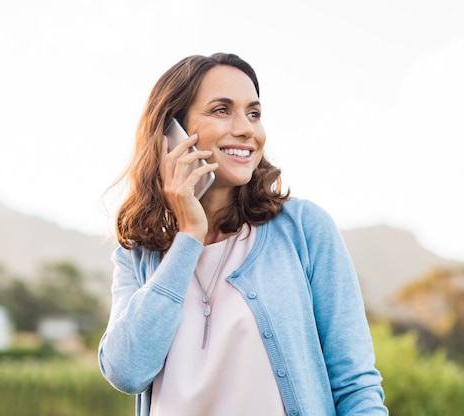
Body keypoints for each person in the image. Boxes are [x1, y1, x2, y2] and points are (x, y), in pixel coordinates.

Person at [98, 52, 389, 416]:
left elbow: (356, 385)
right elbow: (126, 371)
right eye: (222, 110)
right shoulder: (139, 254)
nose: (247, 129)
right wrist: (188, 237)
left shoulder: (303, 230)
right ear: (172, 132)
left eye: (254, 113)